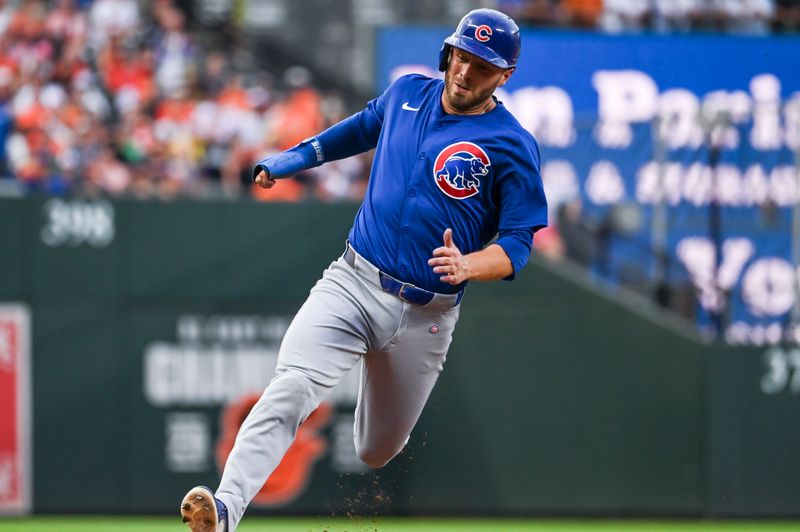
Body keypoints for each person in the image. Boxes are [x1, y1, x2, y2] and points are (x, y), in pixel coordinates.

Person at [180, 8, 547, 532]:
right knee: (292, 387)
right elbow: (348, 135)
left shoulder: (511, 143)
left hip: (427, 315)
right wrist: (285, 162)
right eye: (462, 57)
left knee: (376, 450)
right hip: (353, 281)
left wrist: (470, 264)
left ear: (504, 76)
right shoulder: (406, 95)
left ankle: (369, 376)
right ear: (449, 52)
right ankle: (224, 509)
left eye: (482, 66)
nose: (465, 72)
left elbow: (518, 243)